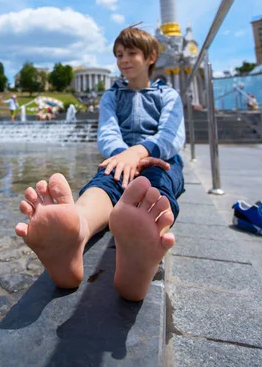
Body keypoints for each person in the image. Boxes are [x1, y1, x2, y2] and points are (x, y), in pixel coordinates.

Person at [15, 26, 185, 302]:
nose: (123, 60)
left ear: (152, 56)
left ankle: (143, 247)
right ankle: (78, 228)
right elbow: (107, 133)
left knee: (155, 186)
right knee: (104, 182)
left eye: (131, 53)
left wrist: (138, 153)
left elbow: (171, 134)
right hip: (118, 159)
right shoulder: (112, 95)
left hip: (159, 159)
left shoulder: (168, 95)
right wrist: (122, 156)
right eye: (118, 55)